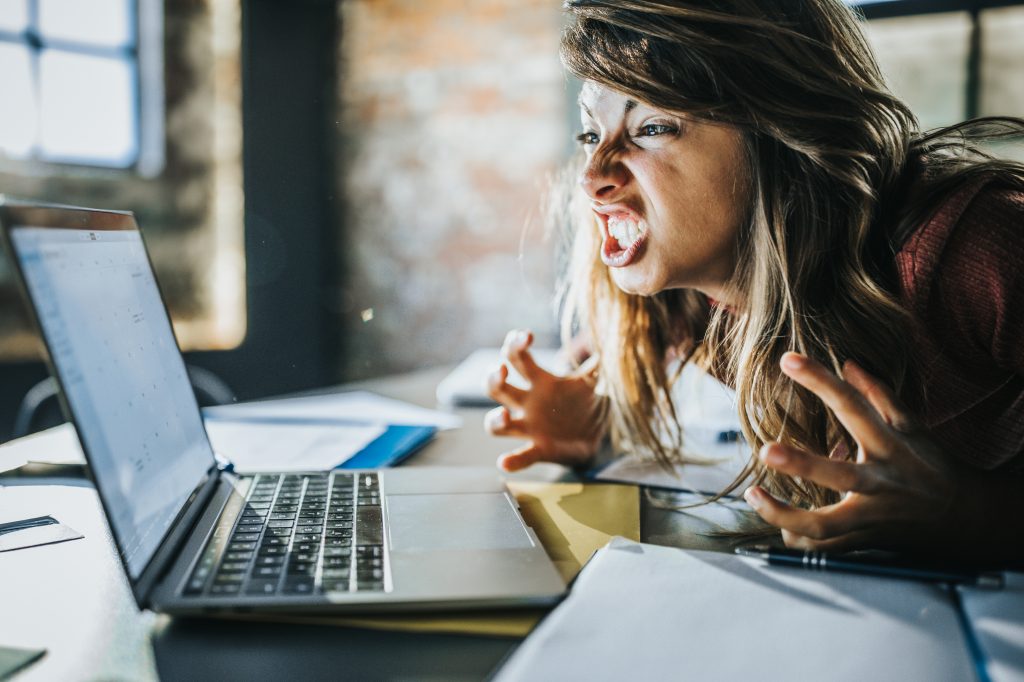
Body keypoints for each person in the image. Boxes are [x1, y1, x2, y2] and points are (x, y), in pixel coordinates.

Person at [484, 0, 1024, 564]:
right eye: (591, 134)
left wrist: (971, 514)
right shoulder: (690, 292)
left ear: (784, 135)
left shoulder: (983, 248)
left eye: (652, 128)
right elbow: (589, 376)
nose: (594, 176)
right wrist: (598, 422)